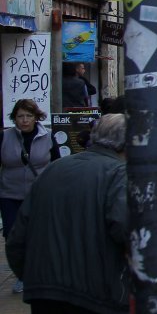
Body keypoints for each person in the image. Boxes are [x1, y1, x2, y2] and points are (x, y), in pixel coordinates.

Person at [6, 114, 130, 313]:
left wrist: (32, 278)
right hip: (96, 294)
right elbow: (129, 233)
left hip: (44, 292)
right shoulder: (118, 174)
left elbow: (17, 238)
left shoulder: (53, 169)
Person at [0, 99, 59, 294]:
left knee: (37, 234)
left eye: (28, 116)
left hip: (38, 193)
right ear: (14, 119)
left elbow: (57, 164)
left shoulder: (47, 137)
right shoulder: (4, 137)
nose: (24, 120)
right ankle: (21, 274)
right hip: (10, 193)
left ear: (36, 117)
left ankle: (36, 272)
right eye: (20, 116)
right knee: (11, 234)